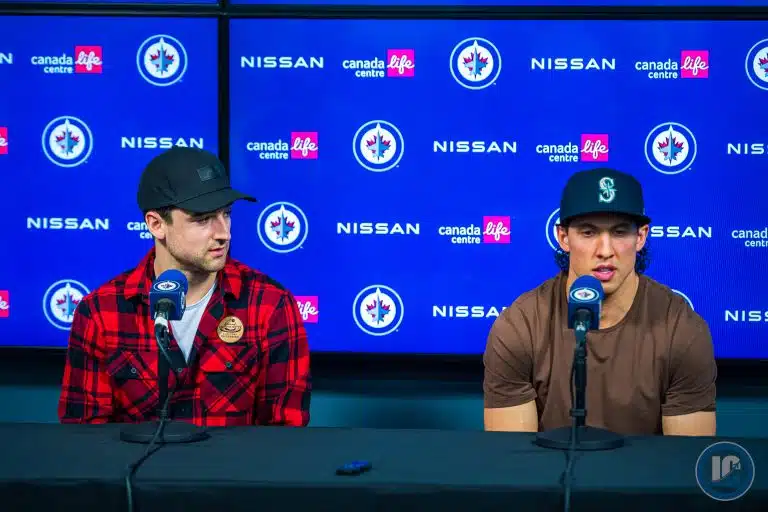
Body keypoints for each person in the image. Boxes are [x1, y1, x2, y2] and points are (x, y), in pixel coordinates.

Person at [58, 147, 311, 427]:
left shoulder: (271, 305)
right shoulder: (99, 312)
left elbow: (285, 435)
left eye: (226, 214)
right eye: (202, 219)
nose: (224, 233)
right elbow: (84, 437)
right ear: (156, 224)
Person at [483, 167, 716, 436]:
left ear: (640, 237)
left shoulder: (682, 329)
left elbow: (685, 457)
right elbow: (513, 454)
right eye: (588, 232)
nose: (605, 251)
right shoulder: (518, 327)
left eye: (619, 233)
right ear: (563, 237)